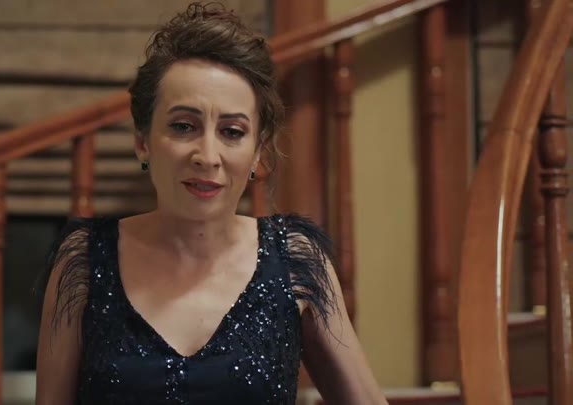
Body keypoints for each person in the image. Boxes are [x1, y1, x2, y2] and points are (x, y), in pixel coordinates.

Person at [36, 2, 387, 404]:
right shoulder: (83, 260)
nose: (207, 156)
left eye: (232, 132)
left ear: (257, 152)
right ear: (142, 142)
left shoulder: (294, 260)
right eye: (183, 126)